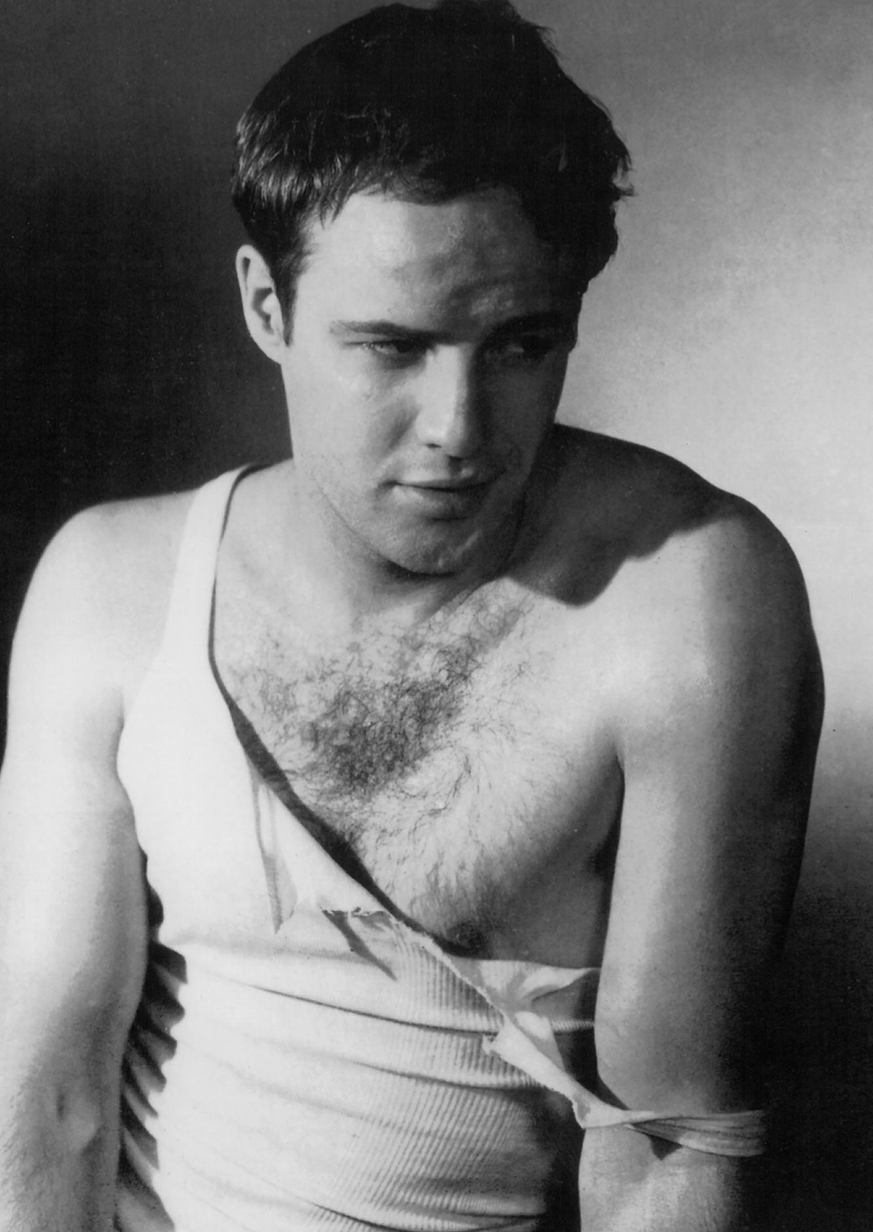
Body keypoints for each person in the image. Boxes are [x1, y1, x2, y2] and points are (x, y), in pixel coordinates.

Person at [0, 2, 823, 1229]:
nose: (459, 428)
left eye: (521, 344)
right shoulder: (109, 587)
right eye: (391, 346)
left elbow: (673, 1147)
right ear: (267, 308)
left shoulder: (687, 594)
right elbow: (49, 1098)